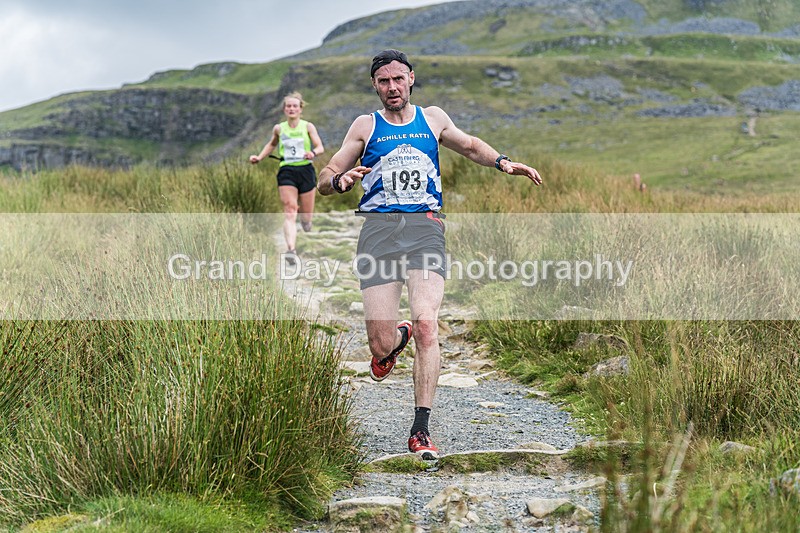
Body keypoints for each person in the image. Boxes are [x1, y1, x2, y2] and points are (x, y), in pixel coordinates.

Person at [318, 49, 542, 459]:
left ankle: (420, 429)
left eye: (398, 79)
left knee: (428, 324)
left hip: (425, 228)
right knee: (380, 346)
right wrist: (340, 180)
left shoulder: (433, 118)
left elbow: (470, 146)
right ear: (375, 85)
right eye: (383, 81)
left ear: (411, 79)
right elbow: (325, 177)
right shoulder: (365, 126)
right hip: (380, 232)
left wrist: (503, 163)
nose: (392, 88)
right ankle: (394, 339)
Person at [250, 92, 324, 262]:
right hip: (286, 170)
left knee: (306, 217)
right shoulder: (279, 128)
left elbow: (320, 147)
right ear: (284, 109)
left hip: (305, 170)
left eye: (294, 106)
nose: (291, 109)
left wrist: (312, 153)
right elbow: (272, 144)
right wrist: (259, 157)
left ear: (300, 109)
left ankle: (306, 222)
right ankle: (291, 250)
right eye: (288, 106)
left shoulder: (307, 127)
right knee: (290, 210)